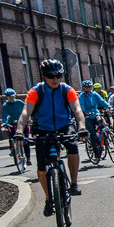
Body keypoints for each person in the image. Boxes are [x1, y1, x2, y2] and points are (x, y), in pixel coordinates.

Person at [16, 59, 88, 217]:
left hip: (64, 126)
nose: (55, 79)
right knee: (41, 167)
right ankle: (49, 199)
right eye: (51, 76)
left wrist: (82, 127)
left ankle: (74, 183)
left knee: (73, 148)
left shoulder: (67, 90)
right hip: (42, 129)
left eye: (58, 76)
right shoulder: (36, 91)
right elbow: (25, 113)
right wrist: (20, 131)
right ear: (44, 77)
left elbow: (77, 110)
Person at [78, 80, 110, 157]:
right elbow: (81, 105)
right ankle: (96, 151)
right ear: (84, 88)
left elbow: (102, 101)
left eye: (90, 87)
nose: (88, 88)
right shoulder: (82, 96)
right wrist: (84, 112)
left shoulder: (94, 94)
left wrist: (110, 107)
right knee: (92, 133)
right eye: (87, 87)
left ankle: (102, 140)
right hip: (87, 116)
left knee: (102, 125)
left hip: (96, 113)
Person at [1, 88, 31, 165]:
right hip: (12, 123)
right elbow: (4, 115)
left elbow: (26, 111)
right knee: (12, 136)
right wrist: (4, 123)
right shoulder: (5, 105)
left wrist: (28, 119)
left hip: (22, 122)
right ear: (7, 97)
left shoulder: (20, 102)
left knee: (26, 140)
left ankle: (28, 158)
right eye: (9, 97)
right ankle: (13, 148)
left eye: (13, 96)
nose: (11, 98)